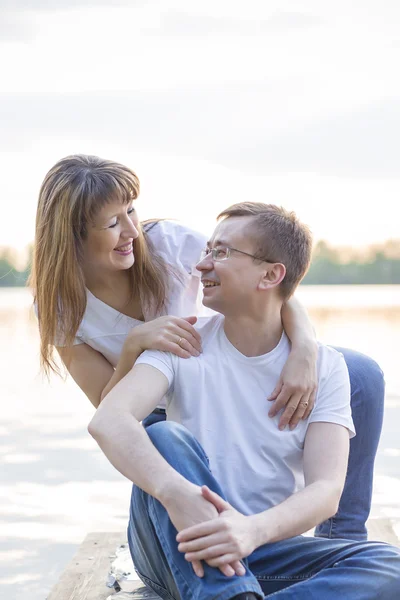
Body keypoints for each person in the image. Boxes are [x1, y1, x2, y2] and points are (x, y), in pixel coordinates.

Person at [30, 154, 384, 540]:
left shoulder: (168, 244)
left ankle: (341, 538)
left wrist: (304, 351)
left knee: (361, 375)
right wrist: (134, 346)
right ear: (72, 235)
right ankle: (190, 539)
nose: (132, 230)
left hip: (217, 370)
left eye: (131, 210)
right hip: (157, 404)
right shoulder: (61, 305)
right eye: (114, 223)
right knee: (161, 434)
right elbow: (109, 407)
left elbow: (271, 284)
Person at [88, 203, 400, 599]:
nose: (202, 265)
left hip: (261, 548)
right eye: (207, 251)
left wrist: (252, 530)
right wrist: (177, 493)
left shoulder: (326, 368)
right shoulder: (181, 343)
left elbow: (326, 491)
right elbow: (108, 420)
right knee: (164, 434)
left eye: (220, 253)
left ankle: (238, 594)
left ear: (271, 274)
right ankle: (227, 592)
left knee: (389, 564)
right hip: (176, 548)